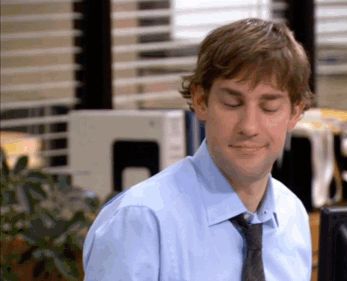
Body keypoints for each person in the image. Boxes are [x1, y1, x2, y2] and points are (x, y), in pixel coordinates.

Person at [83, 17, 314, 280]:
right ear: (201, 101)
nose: (249, 127)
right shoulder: (141, 220)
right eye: (231, 103)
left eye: (269, 107)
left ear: (295, 113)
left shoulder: (292, 215)